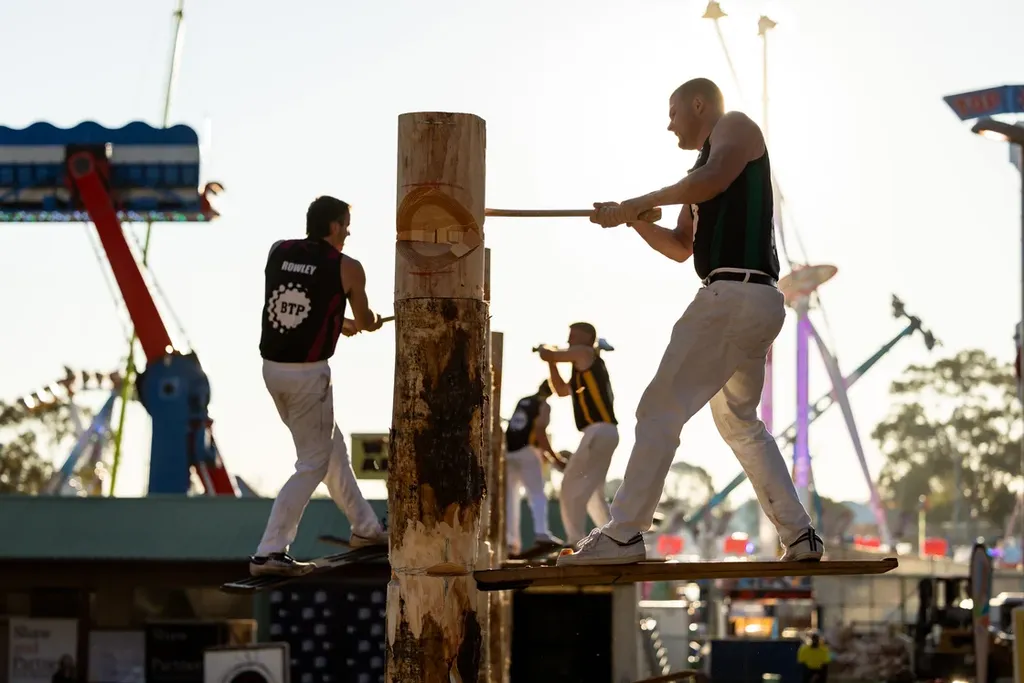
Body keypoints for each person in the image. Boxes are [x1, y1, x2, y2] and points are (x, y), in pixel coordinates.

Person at [557, 77, 820, 566]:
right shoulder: (697, 171)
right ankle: (800, 534)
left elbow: (713, 179)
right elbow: (681, 248)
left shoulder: (735, 128)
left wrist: (637, 201)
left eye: (674, 111)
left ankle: (625, 533)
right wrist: (633, 219)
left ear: (699, 105)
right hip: (750, 301)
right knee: (740, 423)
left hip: (732, 296)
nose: (669, 123)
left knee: (659, 408)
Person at [250, 195, 388, 577]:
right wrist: (368, 321)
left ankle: (367, 529)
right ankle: (269, 552)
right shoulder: (348, 268)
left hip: (272, 370)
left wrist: (336, 323)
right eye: (345, 224)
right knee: (312, 463)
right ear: (331, 226)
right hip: (308, 377)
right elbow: (365, 317)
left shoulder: (279, 251)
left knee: (331, 450)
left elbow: (300, 301)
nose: (348, 231)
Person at [538, 322, 619, 547]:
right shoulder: (582, 365)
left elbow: (551, 354)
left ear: (587, 338)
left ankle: (575, 541)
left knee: (571, 486)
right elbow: (561, 390)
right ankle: (616, 540)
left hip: (598, 431)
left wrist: (548, 351)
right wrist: (551, 363)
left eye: (574, 336)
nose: (569, 341)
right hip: (603, 433)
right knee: (593, 494)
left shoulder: (585, 353)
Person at [504, 380, 564, 556]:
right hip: (528, 451)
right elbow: (539, 431)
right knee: (537, 494)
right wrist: (555, 458)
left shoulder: (523, 401)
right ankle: (542, 533)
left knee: (511, 498)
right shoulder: (543, 405)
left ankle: (511, 543)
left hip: (510, 452)